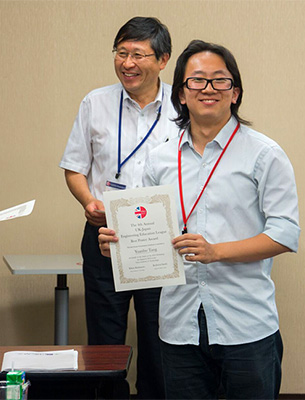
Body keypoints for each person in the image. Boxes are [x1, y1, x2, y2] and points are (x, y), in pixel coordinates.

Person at [98, 39, 301, 400]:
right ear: (180, 93)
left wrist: (216, 251)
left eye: (219, 80)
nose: (208, 88)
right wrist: (119, 245)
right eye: (196, 80)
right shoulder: (160, 158)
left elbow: (285, 233)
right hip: (179, 324)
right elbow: (147, 228)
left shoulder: (265, 154)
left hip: (245, 324)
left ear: (235, 93)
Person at [59, 17, 178, 399]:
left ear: (162, 60)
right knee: (105, 343)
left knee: (160, 338)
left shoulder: (182, 106)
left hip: (161, 240)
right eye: (121, 52)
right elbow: (75, 167)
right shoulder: (95, 102)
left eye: (138, 54)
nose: (127, 63)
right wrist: (88, 201)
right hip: (105, 236)